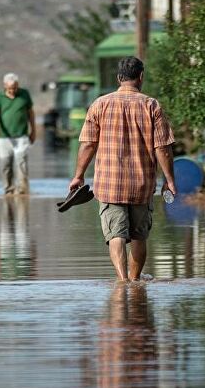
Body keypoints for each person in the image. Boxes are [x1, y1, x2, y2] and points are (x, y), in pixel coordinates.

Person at [70, 56, 175, 281]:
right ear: (141, 77)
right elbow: (163, 148)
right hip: (142, 184)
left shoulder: (99, 104)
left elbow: (88, 144)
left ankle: (122, 281)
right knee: (139, 236)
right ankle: (135, 280)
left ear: (118, 78)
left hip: (109, 185)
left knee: (115, 234)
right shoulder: (151, 105)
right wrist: (170, 179)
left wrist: (78, 176)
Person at [0, 73, 36, 195]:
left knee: (21, 162)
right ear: (5, 86)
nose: (13, 90)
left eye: (15, 87)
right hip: (4, 137)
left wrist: (33, 131)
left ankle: (22, 190)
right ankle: (9, 189)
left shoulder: (24, 94)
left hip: (21, 135)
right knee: (5, 164)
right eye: (10, 88)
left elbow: (31, 113)